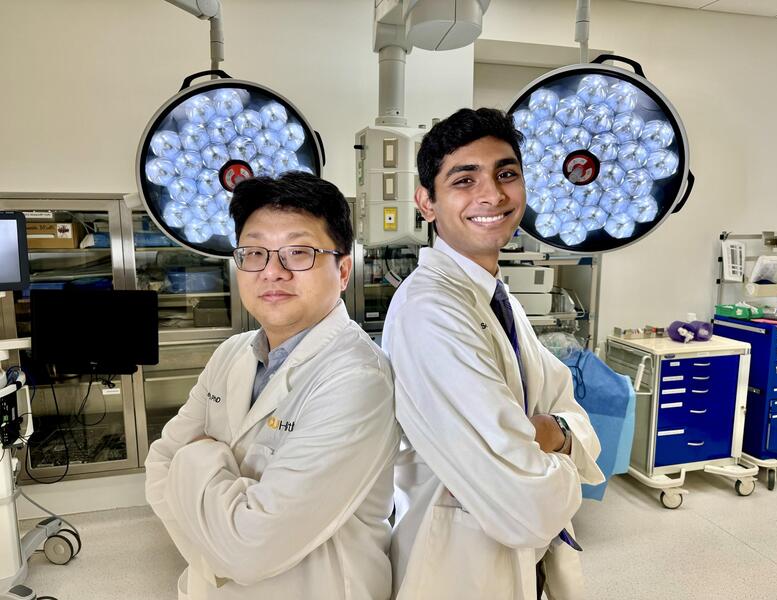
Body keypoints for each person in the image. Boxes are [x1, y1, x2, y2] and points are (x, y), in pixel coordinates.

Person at [382, 108, 604, 600]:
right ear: (426, 202)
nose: (493, 195)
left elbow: (566, 410)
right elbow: (525, 503)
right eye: (465, 179)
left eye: (507, 174)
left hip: (515, 562)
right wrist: (558, 443)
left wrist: (556, 434)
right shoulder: (430, 311)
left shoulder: (497, 299)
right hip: (456, 565)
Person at [145, 172, 400, 600]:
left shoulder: (358, 378)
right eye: (255, 252)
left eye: (298, 252)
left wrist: (199, 453)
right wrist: (217, 551)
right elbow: (156, 472)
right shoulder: (231, 353)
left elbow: (250, 550)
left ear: (342, 270)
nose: (272, 272)